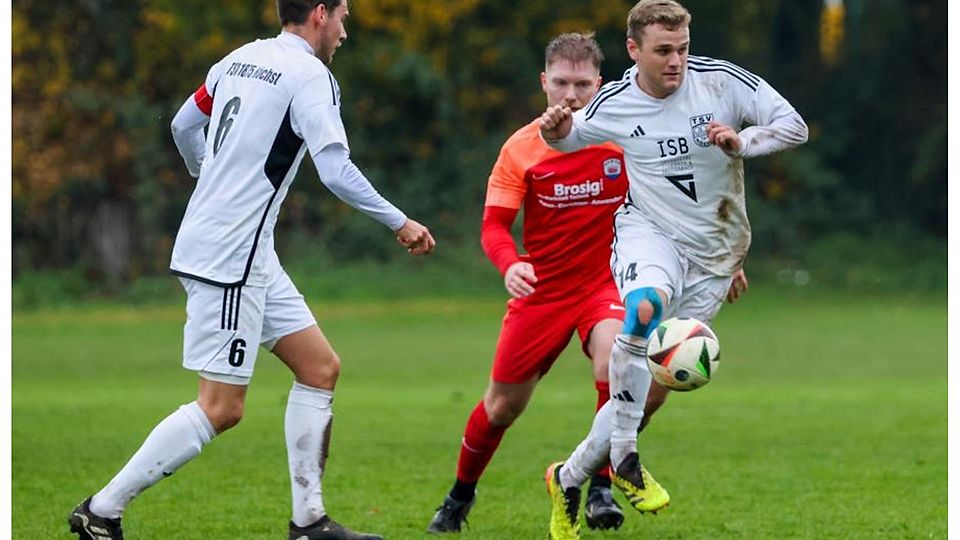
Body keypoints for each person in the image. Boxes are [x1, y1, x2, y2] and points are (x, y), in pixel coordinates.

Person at [67, 1, 435, 539]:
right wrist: (399, 221)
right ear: (318, 14)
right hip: (230, 258)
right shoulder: (311, 75)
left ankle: (309, 522)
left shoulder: (239, 59)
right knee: (221, 407)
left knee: (319, 368)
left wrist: (208, 178)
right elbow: (334, 169)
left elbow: (183, 124)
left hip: (244, 250)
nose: (344, 31)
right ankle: (102, 510)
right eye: (342, 17)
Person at [426, 32, 747, 535]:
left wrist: (720, 258)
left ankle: (598, 487)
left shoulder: (626, 133)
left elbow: (684, 200)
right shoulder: (521, 149)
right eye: (560, 83)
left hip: (609, 282)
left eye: (581, 84)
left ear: (600, 83)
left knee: (617, 362)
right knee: (502, 407)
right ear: (543, 83)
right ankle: (459, 495)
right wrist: (510, 263)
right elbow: (493, 227)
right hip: (543, 293)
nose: (570, 95)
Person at [538, 1, 807, 538]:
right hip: (650, 232)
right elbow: (569, 139)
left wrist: (742, 142)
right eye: (664, 50)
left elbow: (793, 126)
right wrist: (554, 130)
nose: (676, 61)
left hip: (716, 254)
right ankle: (627, 460)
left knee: (651, 392)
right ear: (633, 49)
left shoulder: (721, 83)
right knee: (642, 308)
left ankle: (568, 478)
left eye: (682, 48)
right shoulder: (614, 102)